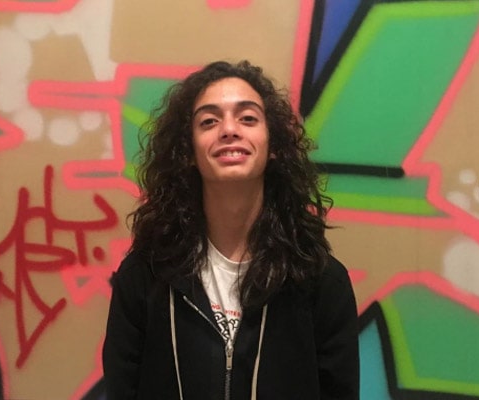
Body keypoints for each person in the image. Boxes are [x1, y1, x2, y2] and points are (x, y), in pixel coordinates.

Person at [102, 60, 359, 399]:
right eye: (209, 121)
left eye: (247, 118)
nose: (229, 129)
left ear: (274, 146)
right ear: (188, 151)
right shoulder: (144, 276)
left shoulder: (320, 280)